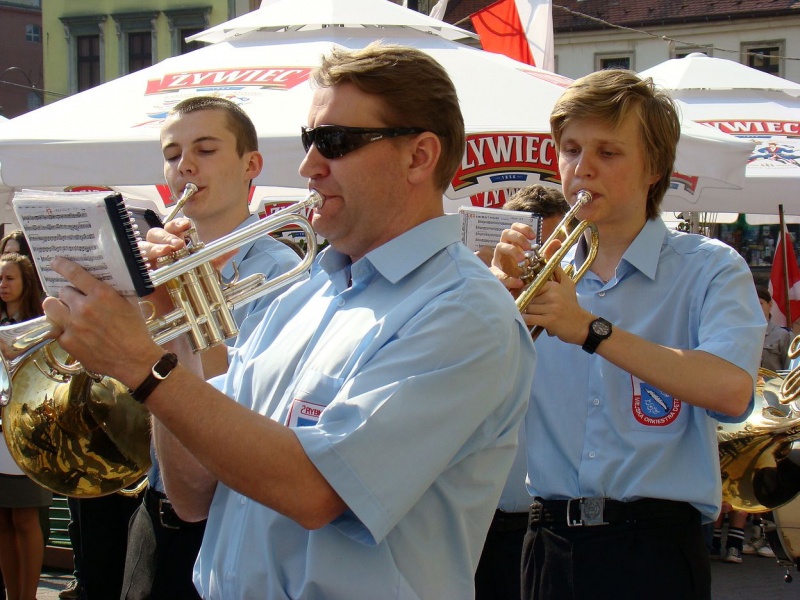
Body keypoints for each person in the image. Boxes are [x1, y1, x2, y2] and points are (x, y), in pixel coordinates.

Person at [42, 43, 536, 599]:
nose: (308, 166)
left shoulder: (463, 310)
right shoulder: (305, 292)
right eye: (309, 141)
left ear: (419, 156)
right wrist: (172, 323)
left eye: (335, 142)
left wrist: (140, 363)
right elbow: (193, 492)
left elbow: (314, 491)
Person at [491, 69, 765, 599]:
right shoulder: (538, 272)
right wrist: (492, 307)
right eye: (571, 150)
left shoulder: (709, 267)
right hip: (549, 539)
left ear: (655, 168)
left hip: (655, 544)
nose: (582, 168)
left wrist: (590, 330)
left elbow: (732, 392)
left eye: (608, 152)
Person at [115, 96, 304, 600]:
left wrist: (185, 311)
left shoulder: (285, 271)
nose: (185, 166)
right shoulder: (151, 265)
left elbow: (242, 403)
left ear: (251, 165)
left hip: (229, 520)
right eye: (172, 154)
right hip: (155, 509)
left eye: (205, 149)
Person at [474, 185, 572, 600]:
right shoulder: (475, 309)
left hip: (547, 524)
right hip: (472, 521)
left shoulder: (579, 321)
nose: (540, 267)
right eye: (530, 252)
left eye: (556, 254)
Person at [0, 253, 52, 600]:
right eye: (0, 279)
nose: (3, 285)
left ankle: (28, 596)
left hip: (26, 429)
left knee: (24, 519)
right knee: (3, 521)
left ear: (25, 282)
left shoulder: (40, 323)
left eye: (9, 278)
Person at [757, 285, 790, 372]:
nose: (756, 308)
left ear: (770, 305)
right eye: (752, 304)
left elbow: (789, 369)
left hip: (773, 380)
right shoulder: (742, 334)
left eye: (760, 303)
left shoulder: (782, 335)